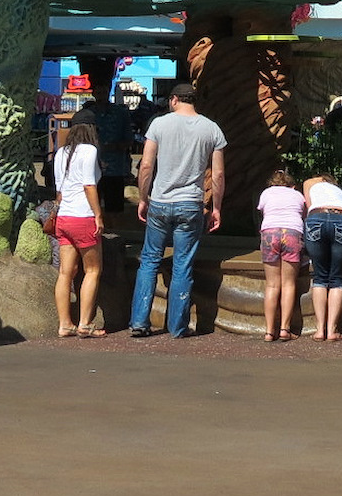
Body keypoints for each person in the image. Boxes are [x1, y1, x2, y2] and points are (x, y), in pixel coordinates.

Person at [128, 83, 227, 339]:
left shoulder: (159, 125)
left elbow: (146, 165)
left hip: (160, 202)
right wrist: (216, 207)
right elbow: (217, 174)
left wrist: (143, 198)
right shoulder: (211, 128)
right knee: (183, 265)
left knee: (149, 261)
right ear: (194, 100)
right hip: (191, 203)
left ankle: (140, 321)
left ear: (173, 100)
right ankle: (177, 327)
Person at [52, 108, 108, 338]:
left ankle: (65, 324)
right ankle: (85, 323)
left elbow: (59, 192)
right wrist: (98, 215)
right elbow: (89, 186)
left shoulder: (60, 153)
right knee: (93, 270)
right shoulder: (90, 151)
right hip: (83, 217)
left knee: (66, 272)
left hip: (64, 217)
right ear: (92, 129)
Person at [302, 172, 342, 341]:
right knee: (337, 278)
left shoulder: (312, 184)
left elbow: (308, 207)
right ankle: (332, 331)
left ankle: (319, 330)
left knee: (319, 277)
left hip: (317, 216)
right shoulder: (338, 191)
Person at [256, 169, 305, 342]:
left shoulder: (266, 193)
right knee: (288, 284)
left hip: (270, 233)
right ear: (291, 185)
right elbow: (302, 214)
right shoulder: (297, 195)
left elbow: (263, 212)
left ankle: (269, 331)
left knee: (272, 285)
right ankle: (285, 329)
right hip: (292, 232)